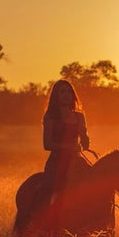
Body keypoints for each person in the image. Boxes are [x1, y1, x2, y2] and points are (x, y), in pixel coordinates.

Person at [41, 79, 90, 207]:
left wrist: (83, 133)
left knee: (95, 183)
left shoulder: (80, 116)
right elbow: (47, 144)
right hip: (57, 161)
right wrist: (68, 147)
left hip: (76, 160)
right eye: (62, 92)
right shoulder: (50, 116)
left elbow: (86, 145)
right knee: (50, 190)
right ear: (56, 96)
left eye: (69, 92)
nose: (66, 95)